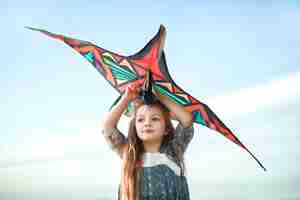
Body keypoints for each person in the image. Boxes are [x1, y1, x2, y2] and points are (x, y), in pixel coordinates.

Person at [101, 83, 194, 200]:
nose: (147, 123)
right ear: (135, 127)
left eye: (155, 119)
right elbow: (107, 128)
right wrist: (127, 98)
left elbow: (187, 120)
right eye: (140, 120)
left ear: (166, 128)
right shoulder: (129, 152)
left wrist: (160, 96)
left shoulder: (174, 151)